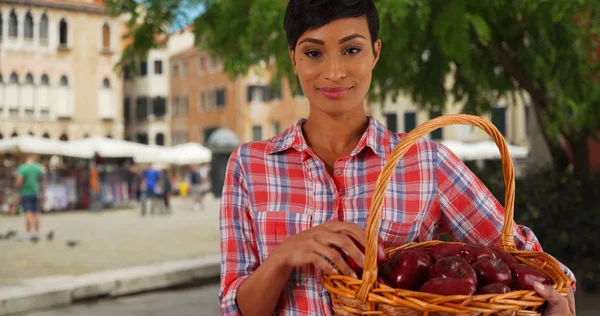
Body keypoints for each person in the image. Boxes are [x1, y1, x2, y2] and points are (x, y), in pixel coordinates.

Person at [218, 1, 577, 316]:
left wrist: (557, 298)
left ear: (375, 52)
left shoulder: (427, 162)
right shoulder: (249, 166)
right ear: (292, 58)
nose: (334, 72)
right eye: (314, 53)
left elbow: (523, 256)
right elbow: (239, 307)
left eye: (351, 50)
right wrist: (284, 256)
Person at [15, 154, 44, 241]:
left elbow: (19, 181)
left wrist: (17, 187)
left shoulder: (22, 168)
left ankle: (28, 233)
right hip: (35, 192)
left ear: (25, 159)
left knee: (27, 213)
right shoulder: (38, 167)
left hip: (25, 192)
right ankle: (37, 233)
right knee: (36, 213)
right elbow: (41, 178)